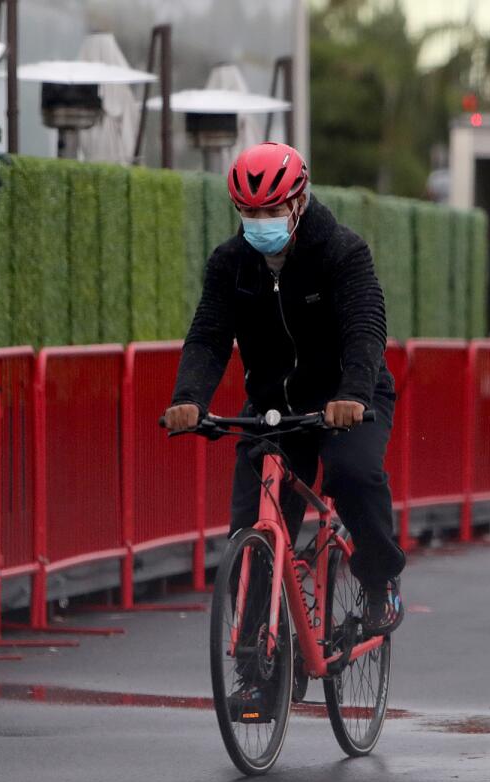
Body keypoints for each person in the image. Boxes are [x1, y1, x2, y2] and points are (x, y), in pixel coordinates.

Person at [163, 142, 406, 636]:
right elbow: (208, 337)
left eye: (271, 209)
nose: (260, 221)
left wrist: (354, 395)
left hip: (347, 398)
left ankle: (381, 584)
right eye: (249, 212)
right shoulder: (230, 263)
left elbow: (365, 328)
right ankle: (256, 669)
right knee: (251, 527)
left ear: (298, 202)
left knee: (353, 473)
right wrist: (188, 400)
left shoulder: (342, 251)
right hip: (274, 409)